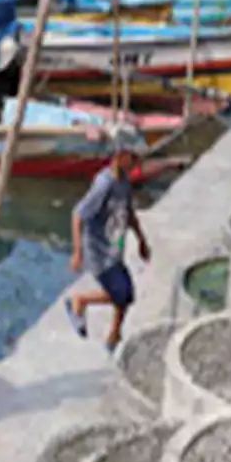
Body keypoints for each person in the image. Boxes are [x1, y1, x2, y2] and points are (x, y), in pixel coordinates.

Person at [64, 143, 151, 351]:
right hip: (99, 252)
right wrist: (77, 252)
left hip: (114, 248)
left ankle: (111, 332)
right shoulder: (104, 184)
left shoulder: (124, 182)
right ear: (120, 156)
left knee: (125, 295)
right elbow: (78, 215)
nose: (136, 163)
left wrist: (141, 240)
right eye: (133, 157)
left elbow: (128, 212)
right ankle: (106, 328)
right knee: (122, 292)